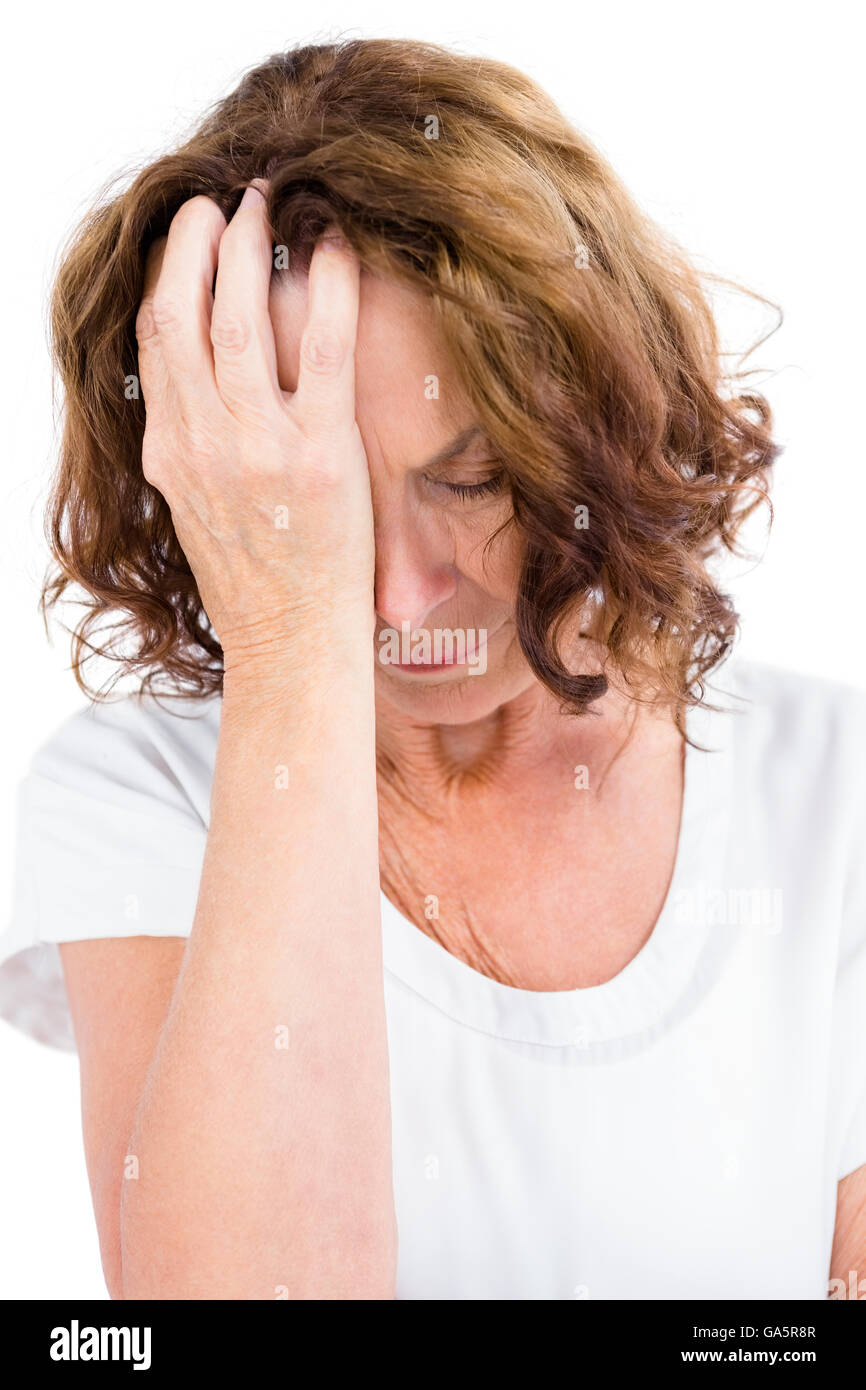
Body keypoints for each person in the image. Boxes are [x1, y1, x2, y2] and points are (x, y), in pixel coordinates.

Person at [1, 38, 864, 1301]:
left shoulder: (828, 789)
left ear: (589, 429)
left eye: (467, 480)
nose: (402, 598)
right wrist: (291, 640)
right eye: (321, 502)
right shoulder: (136, 793)